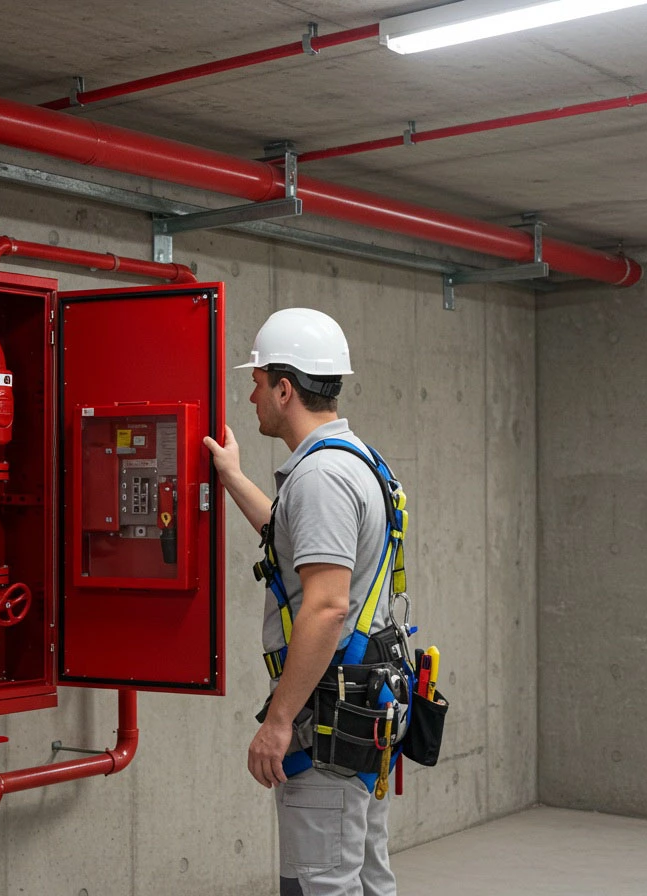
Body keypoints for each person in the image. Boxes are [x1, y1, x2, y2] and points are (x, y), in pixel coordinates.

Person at [204, 307, 399, 896]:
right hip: (359, 712)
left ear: (285, 389)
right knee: (364, 879)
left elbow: (326, 606)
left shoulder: (320, 479)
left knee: (321, 885)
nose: (250, 395)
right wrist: (233, 476)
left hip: (326, 722)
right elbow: (295, 542)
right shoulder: (352, 461)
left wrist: (280, 719)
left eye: (258, 383)